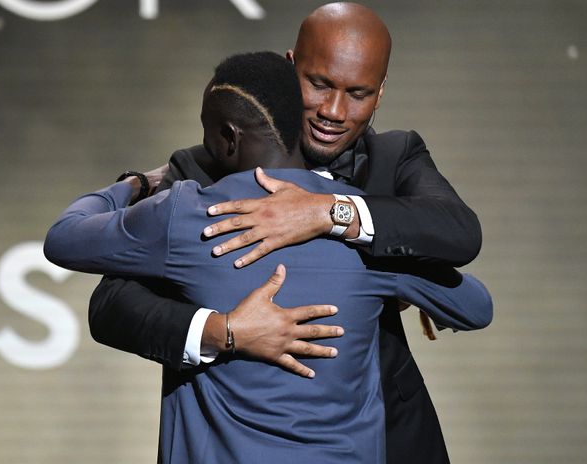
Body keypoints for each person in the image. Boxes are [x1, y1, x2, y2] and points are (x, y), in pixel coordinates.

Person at [45, 51, 491, 464]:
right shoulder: (362, 230)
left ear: (228, 137)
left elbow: (65, 237)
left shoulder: (186, 213)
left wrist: (136, 185)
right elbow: (475, 307)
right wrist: (399, 282)